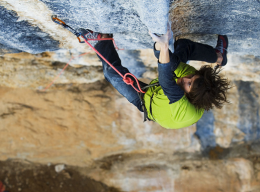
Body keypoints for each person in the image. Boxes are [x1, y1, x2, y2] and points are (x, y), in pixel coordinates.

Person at [83, 27, 230, 129]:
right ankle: (218, 56)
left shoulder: (185, 110)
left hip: (145, 101)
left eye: (188, 83)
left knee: (111, 73)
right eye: (191, 76)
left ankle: (103, 39)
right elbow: (165, 61)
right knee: (183, 47)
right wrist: (160, 43)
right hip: (155, 92)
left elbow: (166, 81)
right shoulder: (189, 75)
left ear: (189, 96)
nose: (185, 78)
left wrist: (164, 47)